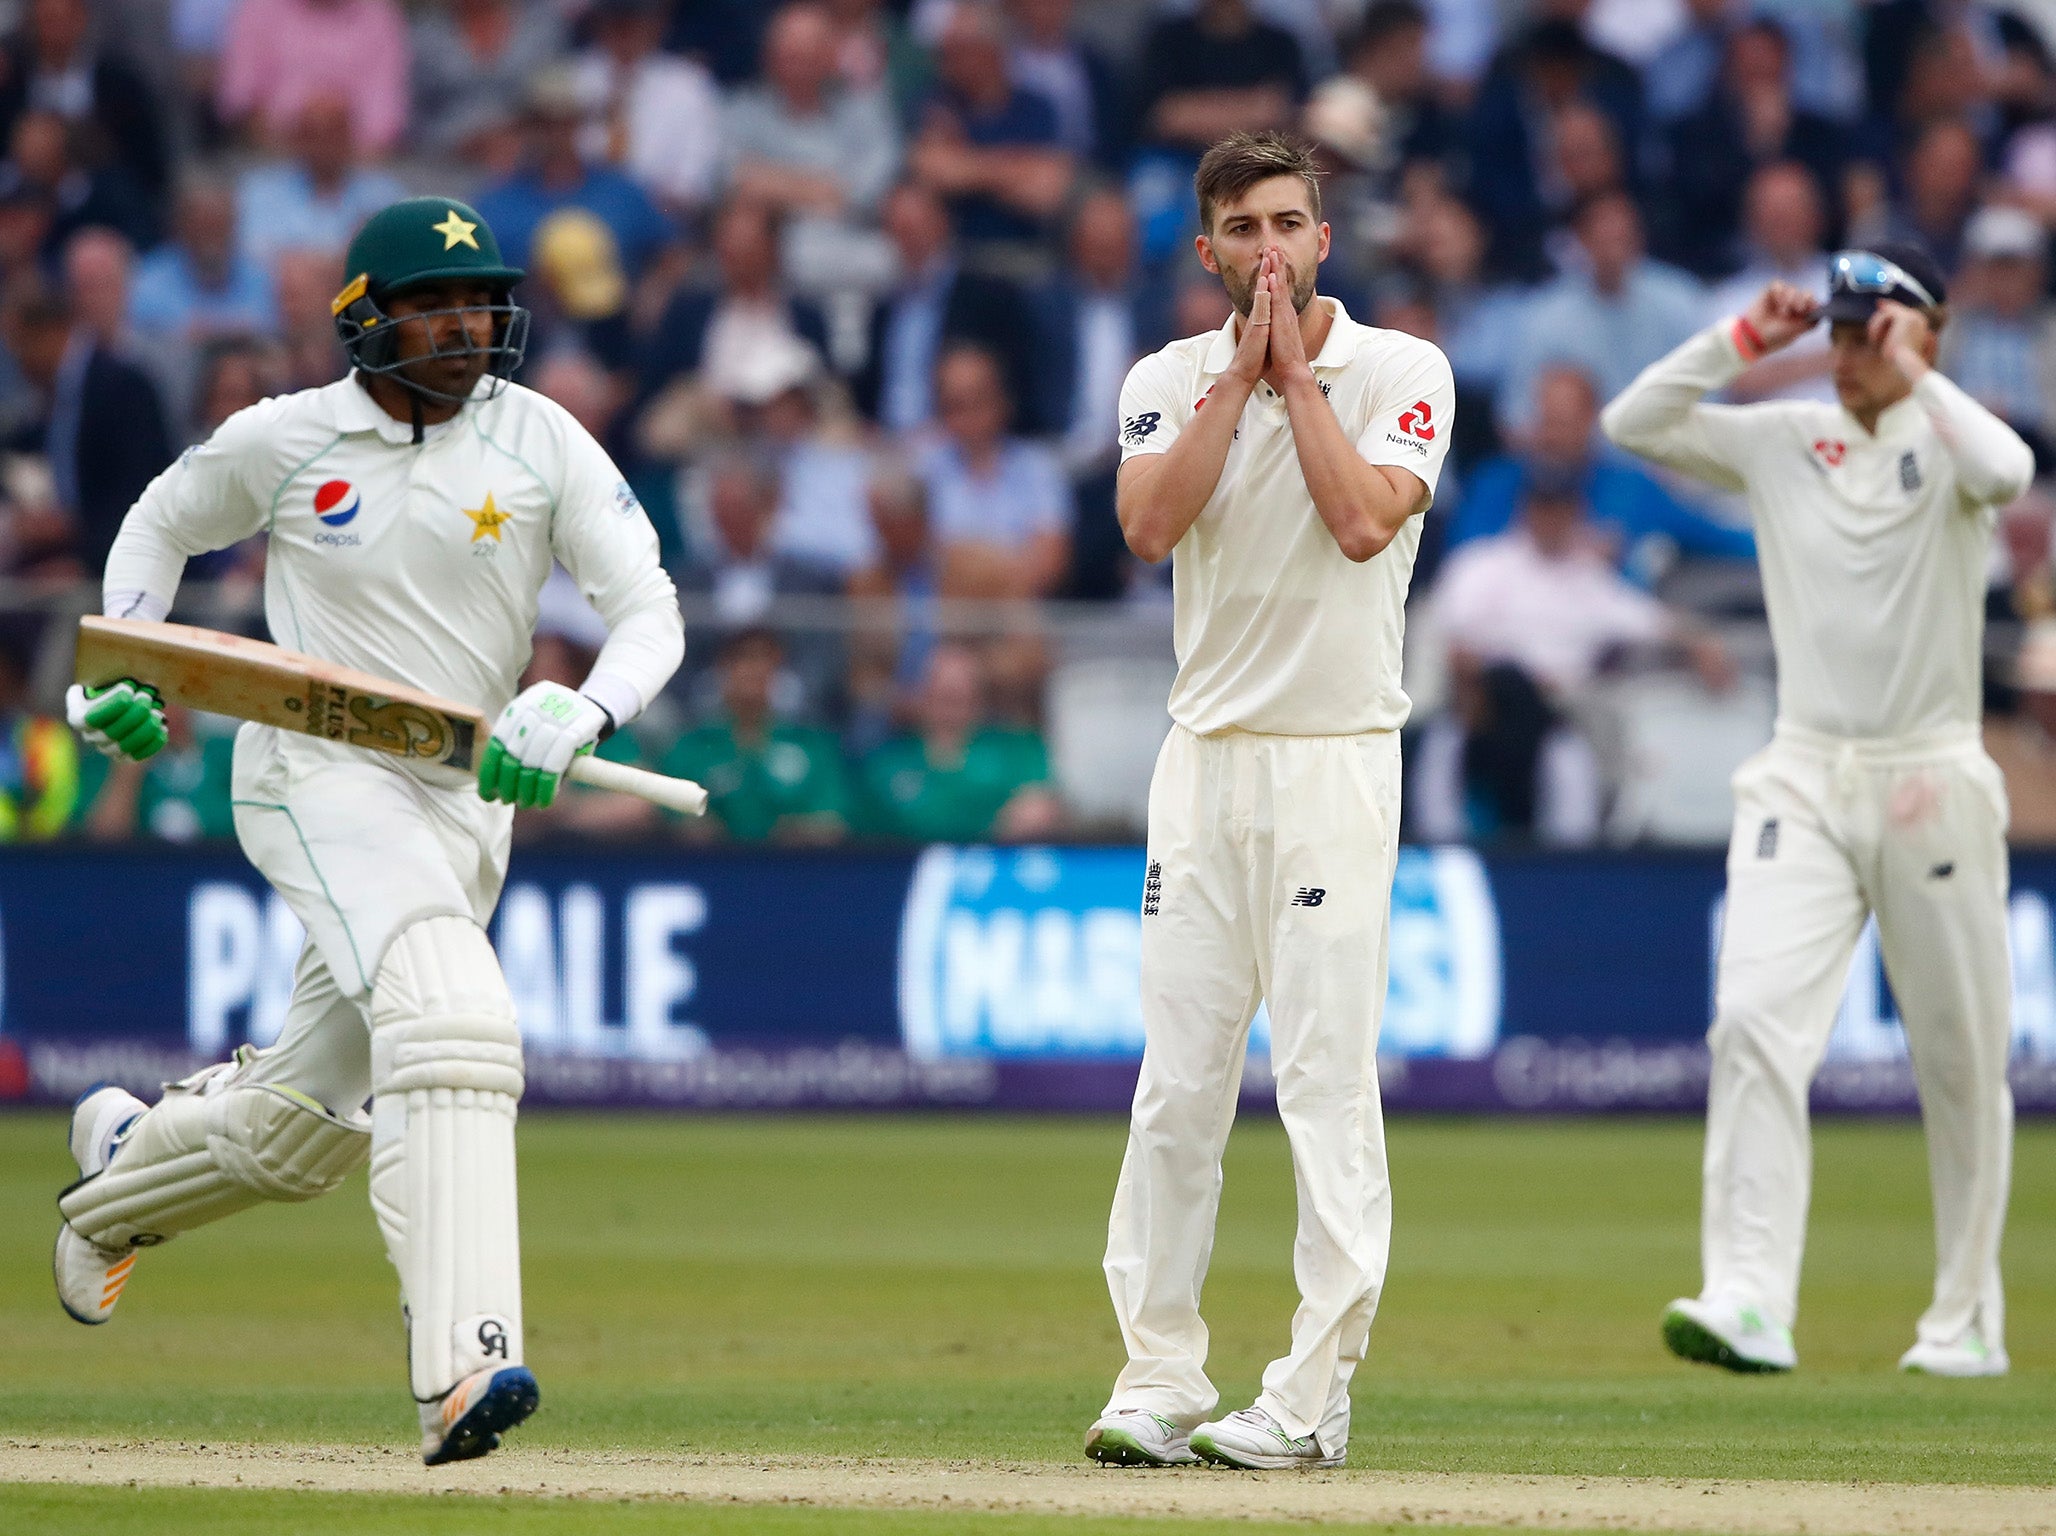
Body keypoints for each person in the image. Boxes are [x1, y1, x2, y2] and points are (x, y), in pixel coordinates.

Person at [51, 197, 684, 1465]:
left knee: (301, 1125)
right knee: (454, 1018)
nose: (463, 325)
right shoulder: (287, 437)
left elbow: (648, 608)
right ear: (364, 320)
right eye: (430, 304)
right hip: (313, 770)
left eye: (478, 302)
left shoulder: (540, 437)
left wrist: (584, 703)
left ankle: (119, 1170)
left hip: (463, 803)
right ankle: (464, 1364)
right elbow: (160, 523)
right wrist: (111, 671)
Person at [1086, 131, 1454, 1472]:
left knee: (1321, 1081)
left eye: (1289, 225)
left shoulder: (1404, 369)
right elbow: (1145, 526)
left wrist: (1293, 378)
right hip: (1203, 767)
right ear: (1207, 251)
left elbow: (1363, 522)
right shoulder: (1166, 378)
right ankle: (1158, 1379)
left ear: (1324, 240)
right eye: (1242, 231)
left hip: (1335, 758)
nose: (1268, 253)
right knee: (1177, 1088)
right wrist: (1236, 381)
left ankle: (1311, 1393)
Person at [1602, 242, 2029, 1378]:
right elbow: (1633, 425)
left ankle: (1965, 1319)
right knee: (1749, 1022)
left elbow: (2010, 470)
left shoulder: (1949, 442)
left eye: (1868, 331)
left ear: (1923, 334)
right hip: (1802, 770)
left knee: (1956, 1057)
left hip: (1930, 779)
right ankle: (1747, 1296)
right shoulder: (1790, 436)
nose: (1845, 352)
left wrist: (1917, 367)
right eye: (1838, 332)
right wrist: (1745, 341)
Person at [661, 626, 849, 843]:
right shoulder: (693, 746)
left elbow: (833, 816)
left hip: (793, 867)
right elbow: (670, 814)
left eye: (764, 659)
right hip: (711, 866)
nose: (754, 669)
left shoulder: (809, 745)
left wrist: (799, 830)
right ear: (724, 667)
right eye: (743, 658)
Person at [855, 639, 1056, 841]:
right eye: (939, 688)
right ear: (916, 694)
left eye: (963, 688)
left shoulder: (1016, 749)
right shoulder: (883, 763)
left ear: (979, 694)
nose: (953, 692)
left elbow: (1039, 807)